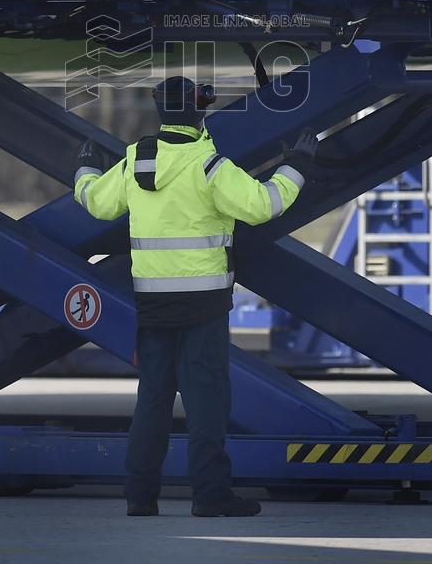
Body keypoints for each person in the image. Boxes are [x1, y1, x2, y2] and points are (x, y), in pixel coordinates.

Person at [74, 76, 318, 518]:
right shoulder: (209, 168)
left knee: (152, 400)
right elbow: (263, 206)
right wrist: (296, 165)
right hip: (203, 307)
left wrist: (85, 170)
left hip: (153, 306)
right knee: (207, 403)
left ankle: (140, 496)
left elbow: (96, 203)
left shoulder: (135, 162)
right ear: (199, 109)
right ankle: (209, 496)